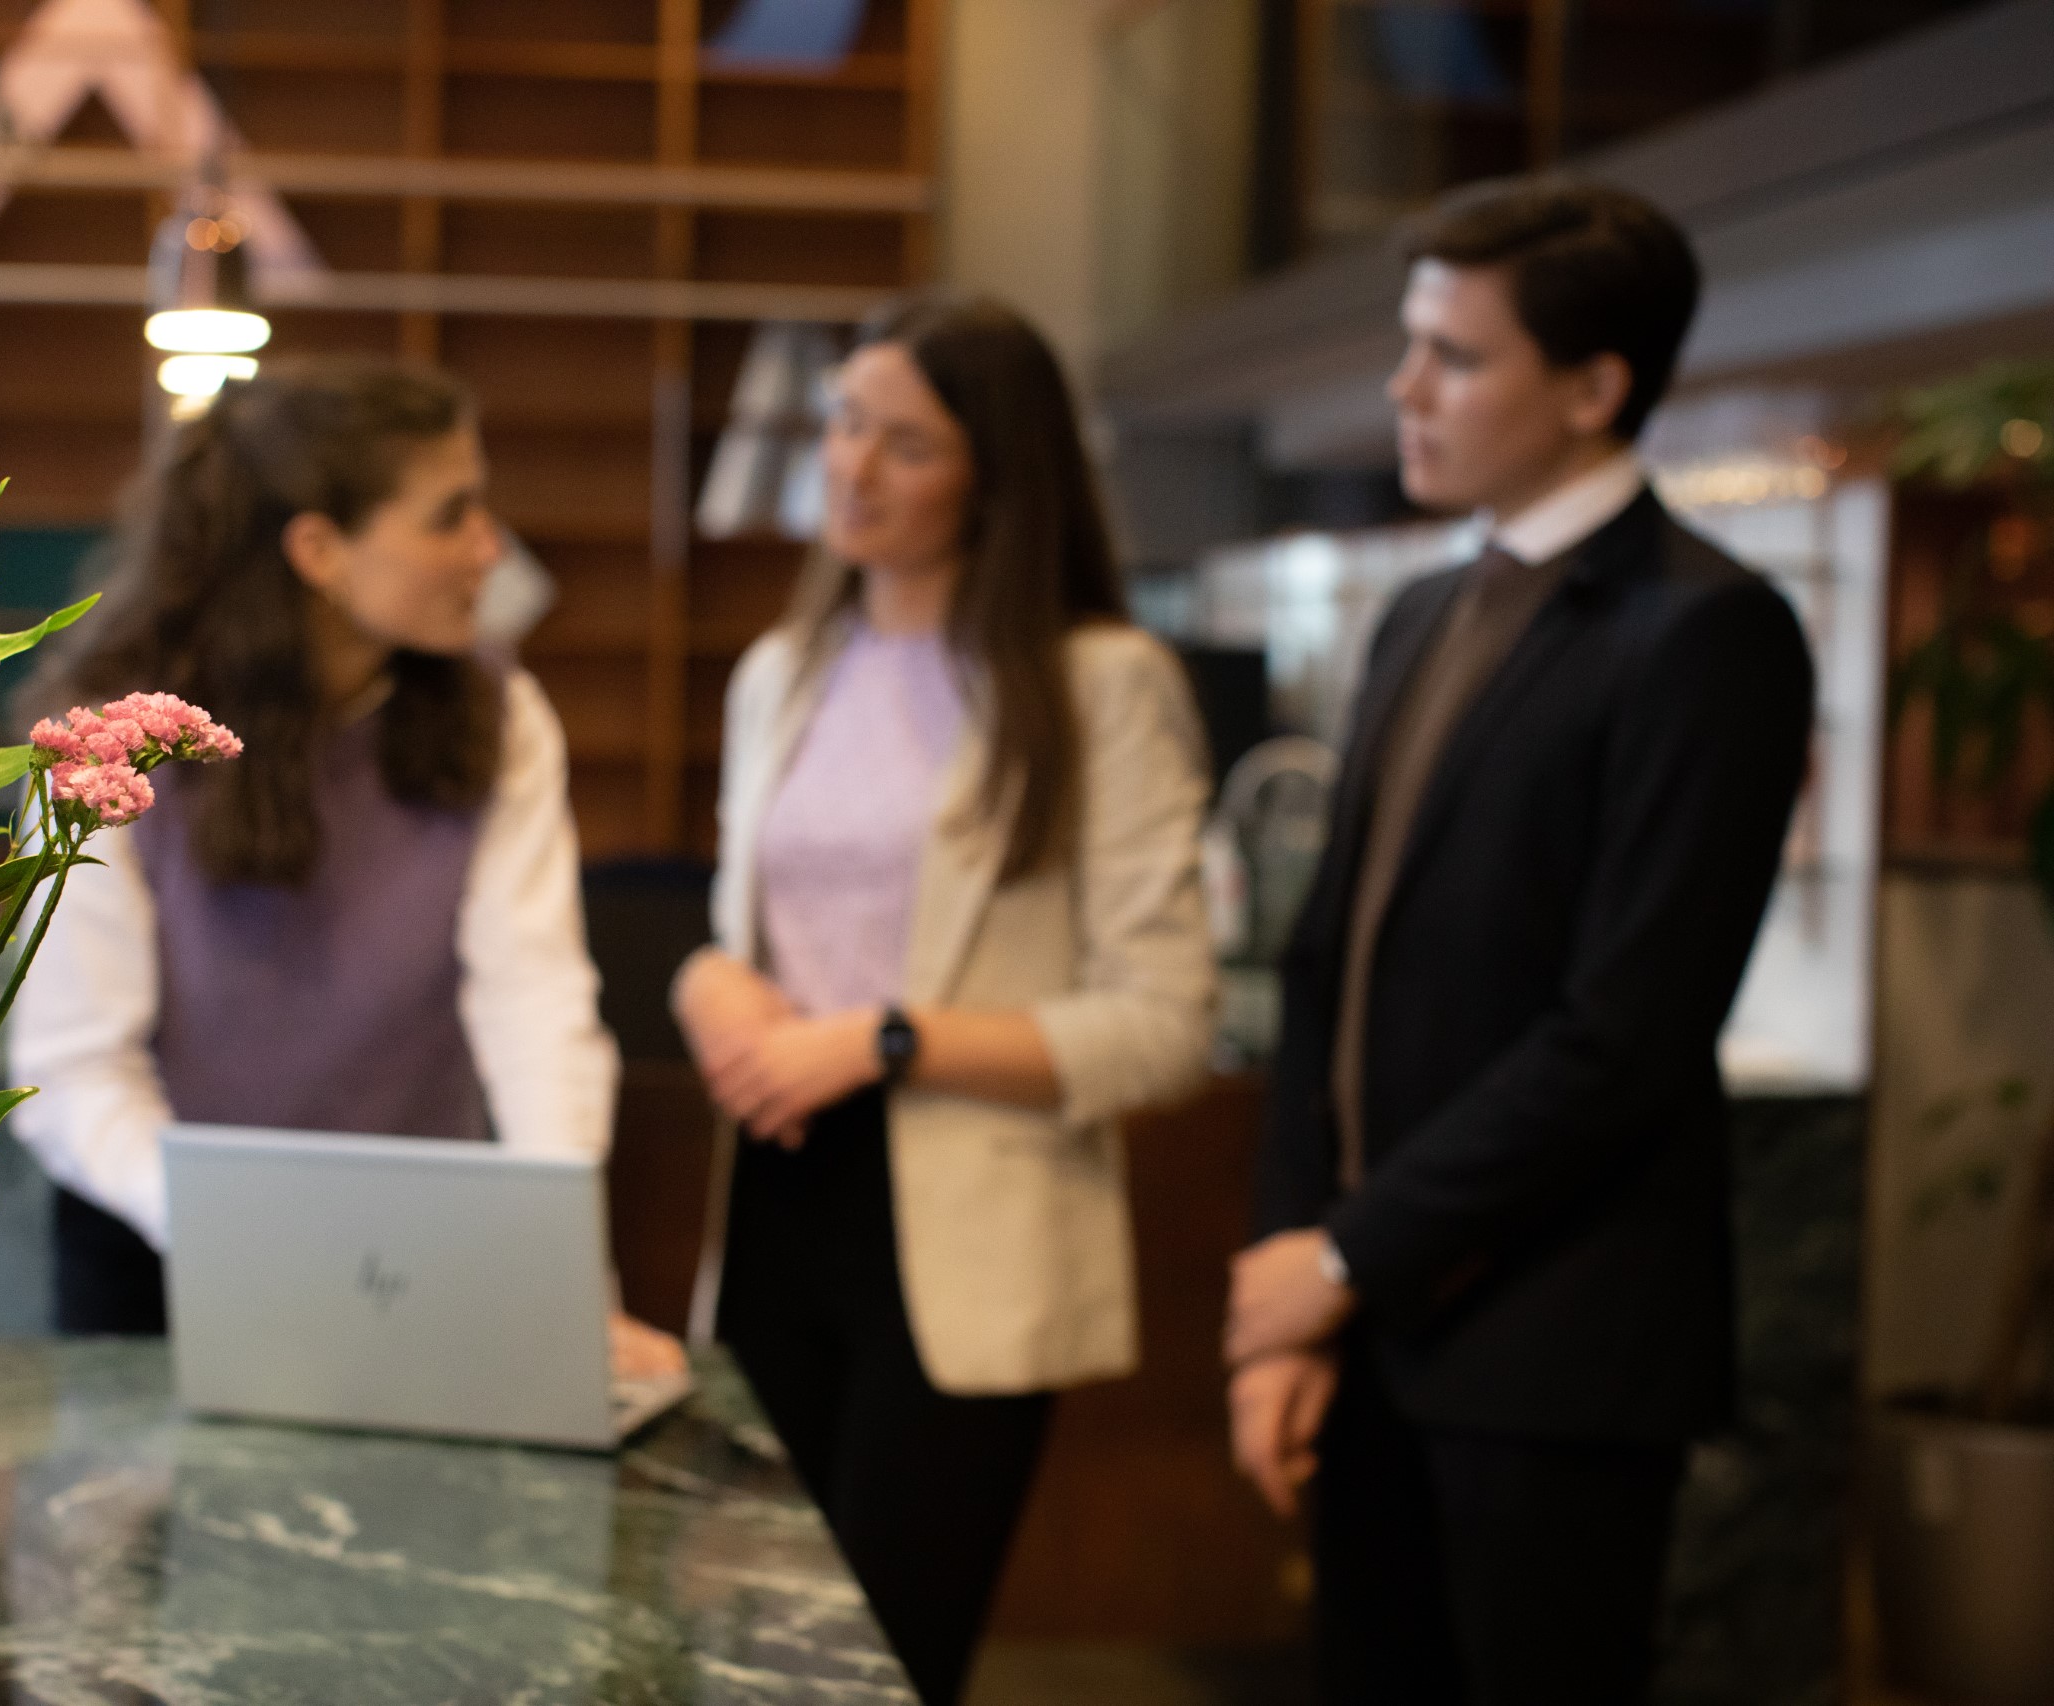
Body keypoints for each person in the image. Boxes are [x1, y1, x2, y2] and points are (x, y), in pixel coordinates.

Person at [1224, 178, 1816, 1703]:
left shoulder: (1705, 632)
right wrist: (1292, 1279)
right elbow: (1323, 972)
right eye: (1408, 345)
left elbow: (1623, 1036)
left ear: (1594, 385)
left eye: (1456, 356)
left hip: (1550, 1352)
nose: (1403, 389)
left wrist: (1344, 1255)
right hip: (1366, 1323)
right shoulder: (1421, 611)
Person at [673, 293, 1216, 1706]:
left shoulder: (1102, 683)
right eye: (847, 422)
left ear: (998, 470)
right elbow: (747, 930)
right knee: (744, 1658)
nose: (851, 468)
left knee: (884, 1667)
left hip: (959, 1240)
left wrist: (888, 1037)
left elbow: (1164, 1022)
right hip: (779, 1205)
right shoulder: (783, 670)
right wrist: (705, 978)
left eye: (905, 443)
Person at [11, 357, 673, 1377]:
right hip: (160, 1249)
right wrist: (244, 1233)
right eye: (450, 516)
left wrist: (564, 1276)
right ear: (319, 549)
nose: (489, 548)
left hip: (408, 1252)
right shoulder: (116, 737)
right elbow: (72, 1067)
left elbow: (534, 1003)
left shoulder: (502, 715)